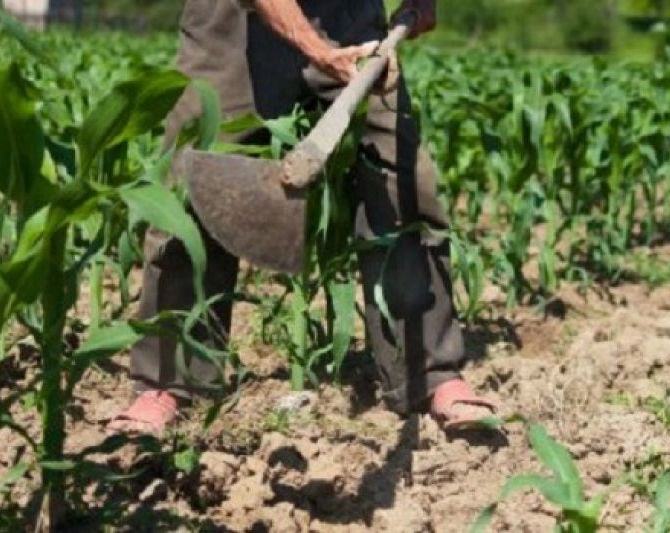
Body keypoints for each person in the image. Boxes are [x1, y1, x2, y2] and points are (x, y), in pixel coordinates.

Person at [108, 0, 496, 435]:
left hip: (347, 18)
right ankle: (170, 381)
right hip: (233, 24)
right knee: (192, 180)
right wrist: (316, 49)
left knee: (398, 174)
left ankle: (430, 372)